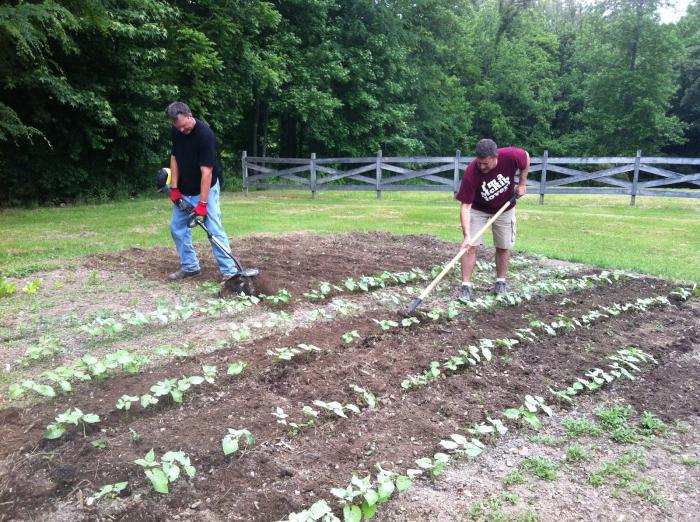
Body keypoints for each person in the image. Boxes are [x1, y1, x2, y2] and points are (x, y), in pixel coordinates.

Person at [165, 101, 237, 282]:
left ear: (190, 115)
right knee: (177, 227)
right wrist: (174, 189)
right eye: (177, 127)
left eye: (184, 126)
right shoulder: (177, 131)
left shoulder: (205, 135)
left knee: (213, 229)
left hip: (206, 188)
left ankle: (230, 272)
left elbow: (207, 172)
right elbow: (174, 158)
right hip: (184, 188)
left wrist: (203, 203)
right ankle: (190, 267)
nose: (181, 130)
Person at [455, 139, 529, 300]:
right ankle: (466, 286)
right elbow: (465, 207)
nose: (482, 167)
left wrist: (522, 183)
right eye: (479, 163)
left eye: (486, 164)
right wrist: (467, 235)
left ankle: (500, 282)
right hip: (478, 209)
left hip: (505, 208)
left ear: (496, 157)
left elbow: (526, 157)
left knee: (503, 246)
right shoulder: (471, 173)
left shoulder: (511, 155)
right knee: (470, 247)